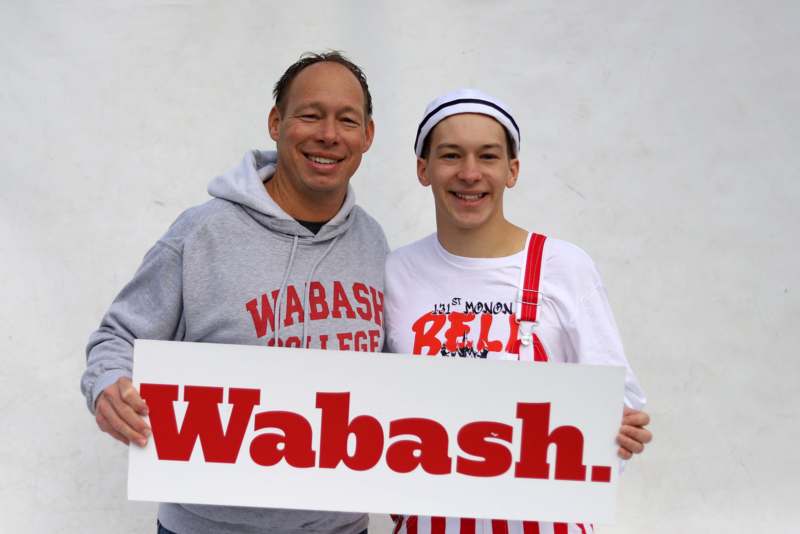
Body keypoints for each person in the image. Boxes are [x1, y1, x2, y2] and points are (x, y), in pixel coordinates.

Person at [81, 51, 387, 534]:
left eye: (346, 120)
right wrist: (107, 386)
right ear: (276, 122)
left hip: (340, 527)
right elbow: (117, 338)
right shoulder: (200, 233)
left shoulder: (373, 242)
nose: (328, 134)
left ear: (367, 136)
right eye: (310, 115)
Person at [384, 89, 653, 534]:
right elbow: (376, 405)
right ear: (423, 169)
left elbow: (620, 401)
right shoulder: (396, 271)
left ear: (512, 170)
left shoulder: (563, 267)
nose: (470, 174)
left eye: (487, 156)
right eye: (451, 155)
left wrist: (614, 436)